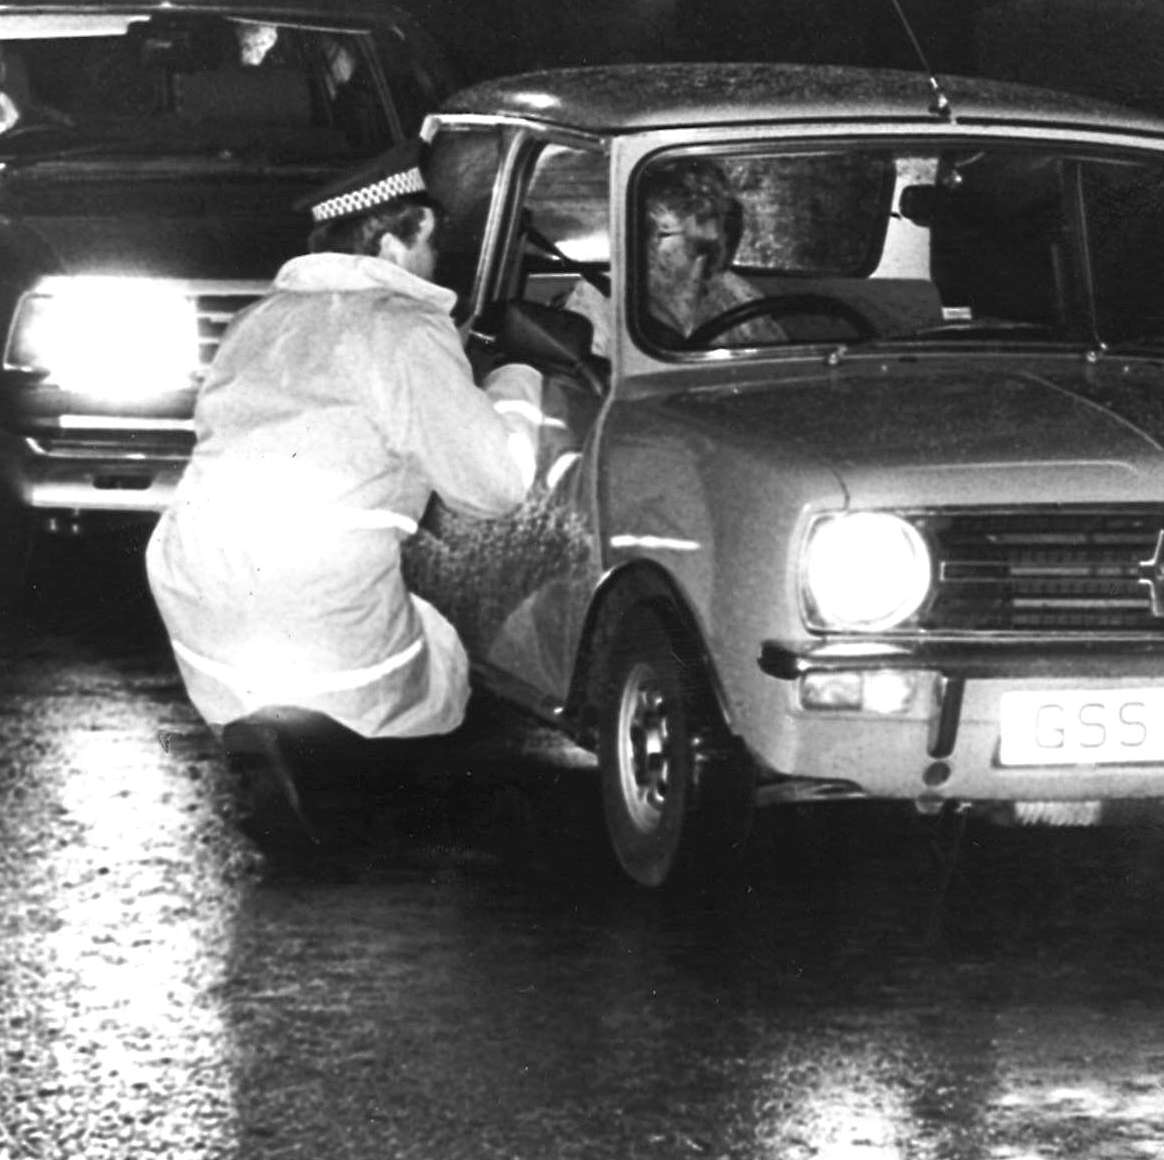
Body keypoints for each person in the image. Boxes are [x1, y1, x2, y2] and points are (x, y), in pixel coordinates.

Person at [143, 140, 545, 841]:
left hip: (194, 592)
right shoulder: (403, 327)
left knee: (352, 619)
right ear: (394, 244)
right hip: (312, 600)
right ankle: (353, 791)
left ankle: (272, 745)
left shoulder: (257, 320)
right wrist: (517, 382)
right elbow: (496, 485)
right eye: (430, 245)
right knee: (446, 662)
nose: (434, 263)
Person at [566, 155, 780, 352]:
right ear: (645, 236)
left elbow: (777, 369)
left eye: (710, 243)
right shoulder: (601, 301)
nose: (701, 262)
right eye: (691, 244)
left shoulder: (737, 294)